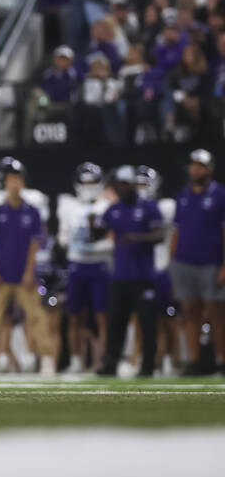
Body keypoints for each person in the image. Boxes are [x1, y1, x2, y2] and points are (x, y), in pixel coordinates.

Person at [0, 158, 56, 374]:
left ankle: (47, 359)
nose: (14, 184)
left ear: (22, 183)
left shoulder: (32, 211)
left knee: (37, 318)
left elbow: (35, 246)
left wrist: (29, 272)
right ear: (6, 184)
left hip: (25, 276)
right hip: (2, 275)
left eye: (17, 180)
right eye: (11, 181)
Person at [92, 166, 166, 377]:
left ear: (132, 184)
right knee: (116, 323)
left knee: (147, 325)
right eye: (119, 184)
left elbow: (160, 235)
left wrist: (136, 238)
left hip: (144, 276)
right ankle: (111, 364)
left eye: (126, 184)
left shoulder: (149, 207)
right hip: (120, 277)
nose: (123, 188)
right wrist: (92, 223)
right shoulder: (113, 210)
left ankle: (148, 366)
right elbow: (97, 234)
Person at [168, 149, 225, 375]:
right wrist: (172, 262)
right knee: (189, 312)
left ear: (209, 169)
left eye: (200, 166)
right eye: (193, 165)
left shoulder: (220, 194)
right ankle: (194, 361)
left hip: (211, 262)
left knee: (216, 313)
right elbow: (176, 231)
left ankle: (221, 360)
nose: (195, 169)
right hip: (184, 262)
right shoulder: (182, 195)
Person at [57, 162, 112, 373]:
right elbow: (62, 237)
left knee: (102, 316)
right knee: (74, 316)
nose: (88, 186)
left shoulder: (106, 207)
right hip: (77, 265)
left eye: (92, 182)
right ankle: (76, 360)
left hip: (100, 265)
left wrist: (95, 244)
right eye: (85, 182)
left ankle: (105, 359)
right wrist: (70, 241)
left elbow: (114, 241)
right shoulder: (70, 207)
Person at [138, 165, 179, 376]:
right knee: (142, 321)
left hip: (163, 269)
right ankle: (143, 360)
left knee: (168, 319)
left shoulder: (166, 207)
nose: (140, 189)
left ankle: (171, 360)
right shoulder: (132, 209)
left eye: (144, 184)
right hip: (142, 271)